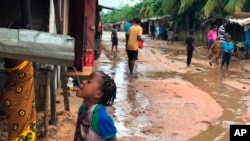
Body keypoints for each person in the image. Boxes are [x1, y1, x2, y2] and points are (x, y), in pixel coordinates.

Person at [74, 71, 117, 141]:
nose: (83, 81)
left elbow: (112, 139)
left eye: (88, 81)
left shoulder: (101, 117)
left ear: (98, 94)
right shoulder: (82, 109)